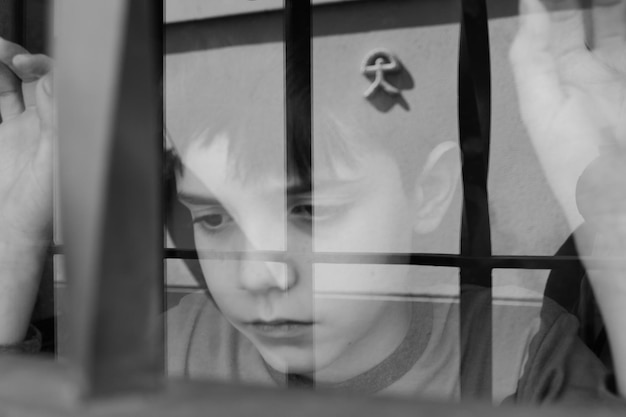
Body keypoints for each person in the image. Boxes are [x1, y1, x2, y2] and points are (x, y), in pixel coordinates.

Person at [0, 0, 625, 405]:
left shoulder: (523, 360)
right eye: (213, 219)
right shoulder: (173, 348)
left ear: (430, 191)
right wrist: (11, 238)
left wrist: (616, 218)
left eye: (311, 213)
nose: (260, 274)